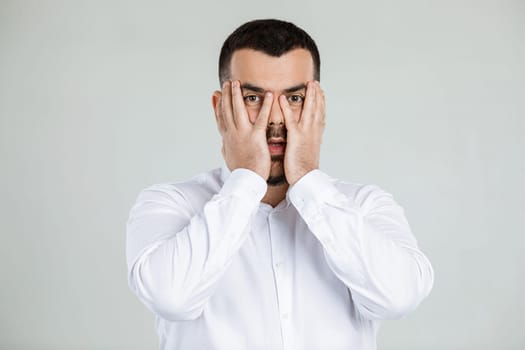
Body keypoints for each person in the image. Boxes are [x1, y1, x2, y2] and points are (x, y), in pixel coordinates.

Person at [126, 19, 434, 350]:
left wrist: (306, 176)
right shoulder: (169, 205)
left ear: (318, 107)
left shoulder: (365, 205)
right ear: (220, 109)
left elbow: (398, 298)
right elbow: (173, 299)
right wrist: (246, 179)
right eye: (253, 98)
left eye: (295, 98)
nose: (275, 118)